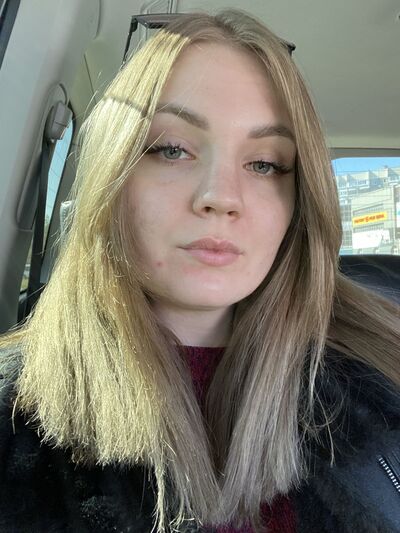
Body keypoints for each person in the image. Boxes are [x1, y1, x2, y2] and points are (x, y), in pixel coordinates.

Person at [1, 9, 400, 533]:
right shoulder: (14, 419)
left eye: (264, 164)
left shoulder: (380, 376)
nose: (220, 197)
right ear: (112, 177)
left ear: (298, 202)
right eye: (172, 150)